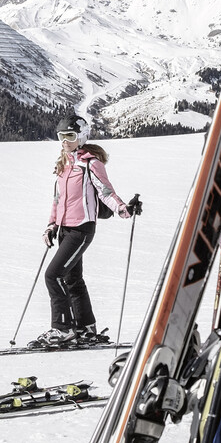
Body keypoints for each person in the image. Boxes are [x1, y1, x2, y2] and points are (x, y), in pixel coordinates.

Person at [32, 115, 132, 347]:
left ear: (82, 137)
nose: (65, 141)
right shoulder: (64, 165)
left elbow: (106, 192)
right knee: (72, 280)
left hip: (81, 229)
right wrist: (51, 226)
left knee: (53, 275)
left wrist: (123, 209)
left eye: (70, 136)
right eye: (61, 136)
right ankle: (86, 328)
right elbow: (57, 201)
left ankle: (63, 329)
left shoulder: (90, 163)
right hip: (64, 231)